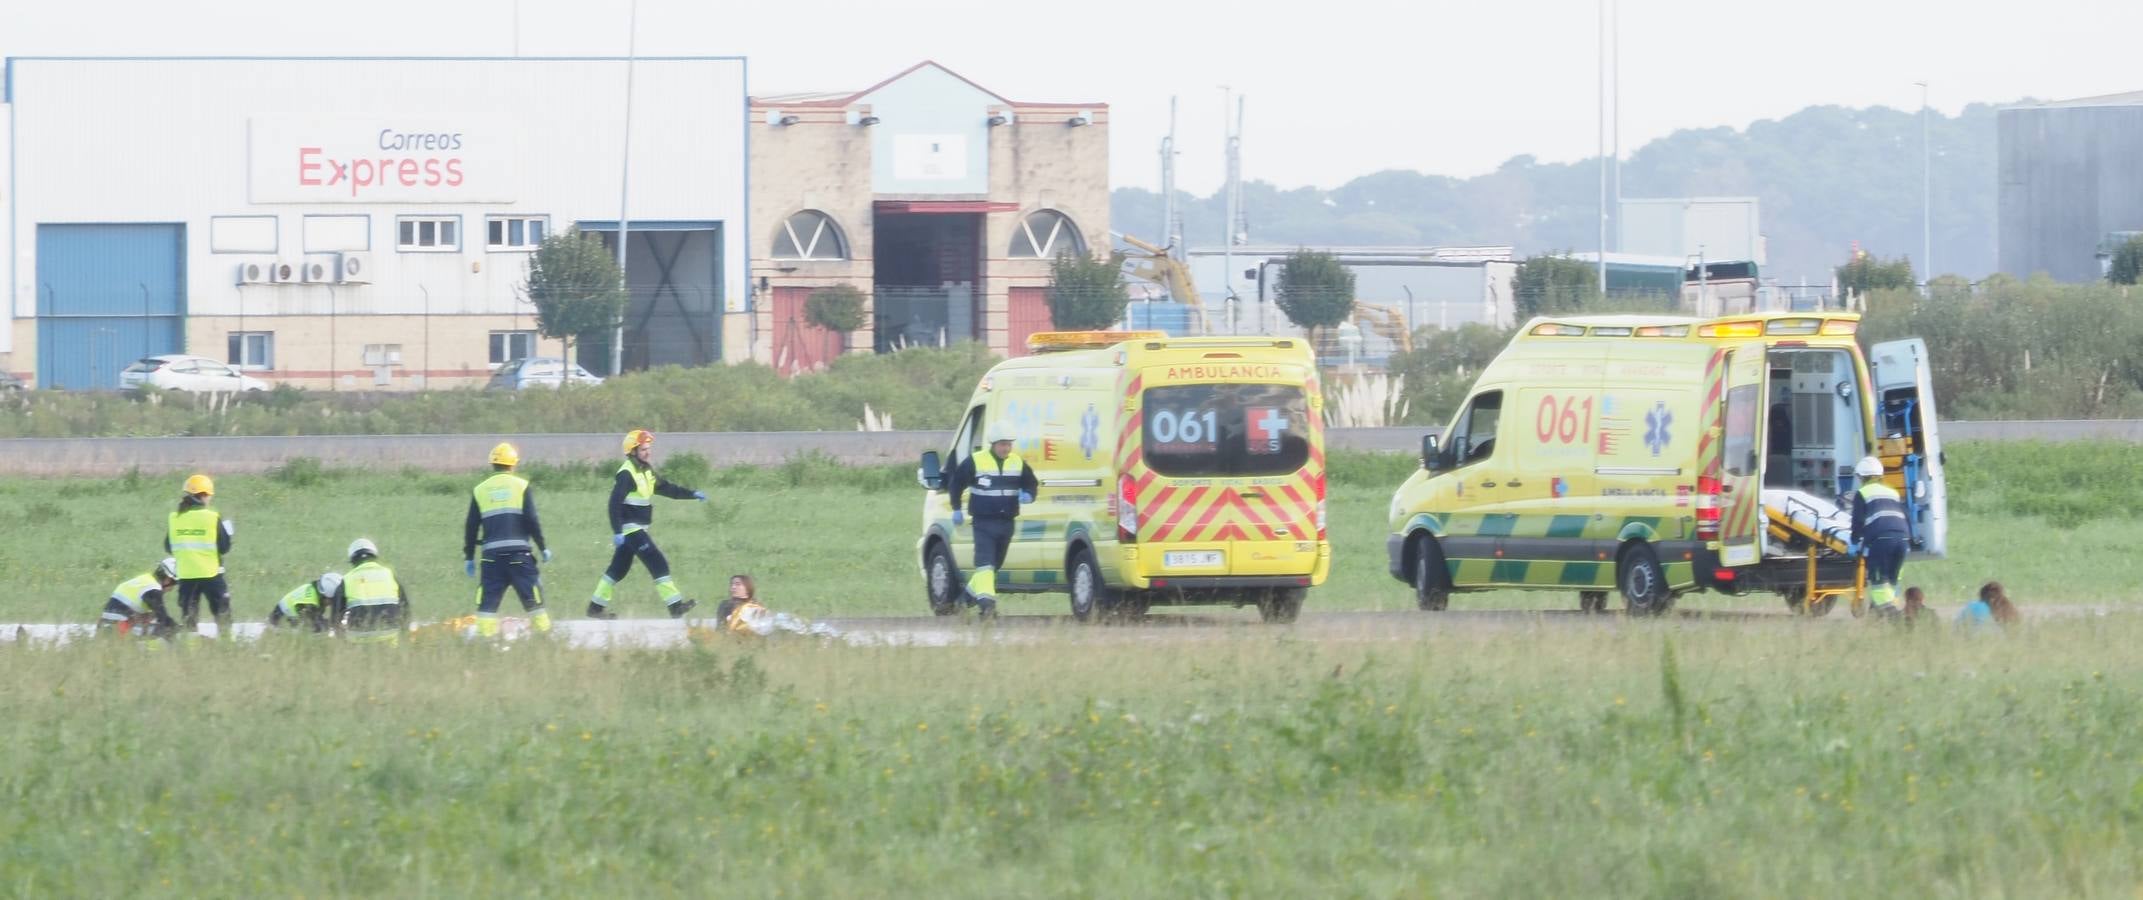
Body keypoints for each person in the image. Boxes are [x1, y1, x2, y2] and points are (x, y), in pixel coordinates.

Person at [587, 429, 706, 620]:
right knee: (657, 562)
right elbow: (614, 503)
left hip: (638, 529)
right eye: (643, 449)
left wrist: (692, 494)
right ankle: (675, 606)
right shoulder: (626, 473)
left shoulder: (646, 470)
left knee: (618, 570)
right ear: (632, 451)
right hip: (631, 530)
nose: (647, 452)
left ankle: (595, 608)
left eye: (648, 449)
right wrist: (617, 531)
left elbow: (666, 488)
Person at [945, 422, 1039, 619]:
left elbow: (1031, 483)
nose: (1006, 448)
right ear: (994, 444)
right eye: (1003, 444)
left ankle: (964, 601)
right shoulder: (976, 461)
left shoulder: (1017, 462)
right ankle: (987, 607)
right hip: (984, 522)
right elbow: (956, 484)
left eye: (1009, 444)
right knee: (985, 564)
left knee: (992, 567)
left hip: (1007, 523)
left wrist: (1029, 495)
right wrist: (956, 508)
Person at [464, 442, 554, 638]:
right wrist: (542, 547)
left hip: (491, 560)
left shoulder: (480, 490)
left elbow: (471, 526)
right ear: (513, 464)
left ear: (492, 464)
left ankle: (485, 642)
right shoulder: (521, 486)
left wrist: (469, 556)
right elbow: (532, 520)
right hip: (520, 557)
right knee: (534, 602)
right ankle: (545, 639)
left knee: (487, 606)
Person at [164, 473, 236, 636]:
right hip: (211, 574)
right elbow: (224, 547)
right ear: (204, 495)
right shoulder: (212, 517)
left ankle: (190, 649)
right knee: (222, 614)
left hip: (186, 576)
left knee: (189, 618)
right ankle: (227, 646)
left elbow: (168, 546)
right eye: (209, 496)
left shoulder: (175, 518)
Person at [1849, 456, 1909, 618]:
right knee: (1891, 583)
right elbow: (1905, 516)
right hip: (1903, 540)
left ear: (1862, 477)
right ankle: (1877, 620)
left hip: (1882, 541)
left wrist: (1854, 543)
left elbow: (1857, 522)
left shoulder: (1862, 493)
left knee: (1878, 585)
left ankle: (1897, 620)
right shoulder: (1893, 492)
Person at [331, 538, 409, 645]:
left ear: (353, 560)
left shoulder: (347, 580)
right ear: (374, 556)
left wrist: (343, 642)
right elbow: (405, 608)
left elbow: (336, 618)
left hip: (358, 640)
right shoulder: (389, 575)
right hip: (390, 638)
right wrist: (403, 637)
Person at [712, 575, 837, 638]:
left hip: (765, 629)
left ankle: (814, 632)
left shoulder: (756, 605)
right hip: (747, 634)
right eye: (732, 584)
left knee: (786, 621)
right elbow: (722, 629)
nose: (733, 587)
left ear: (747, 588)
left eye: (738, 584)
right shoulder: (726, 605)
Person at [100, 557, 180, 638]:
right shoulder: (153, 589)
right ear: (168, 579)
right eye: (174, 583)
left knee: (151, 616)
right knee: (166, 629)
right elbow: (163, 617)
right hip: (120, 626)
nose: (171, 589)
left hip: (106, 623)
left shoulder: (145, 579)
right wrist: (180, 629)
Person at [267, 572, 341, 634]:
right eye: (332, 600)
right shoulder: (311, 602)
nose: (331, 604)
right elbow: (316, 624)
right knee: (316, 632)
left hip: (284, 614)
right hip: (281, 620)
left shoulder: (314, 590)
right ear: (326, 595)